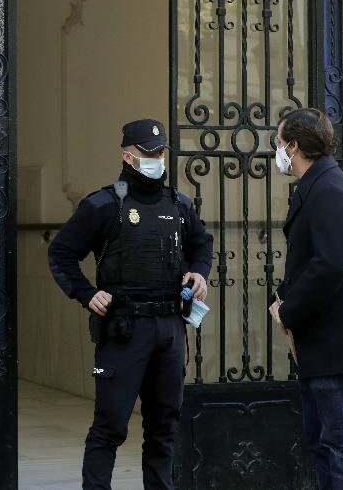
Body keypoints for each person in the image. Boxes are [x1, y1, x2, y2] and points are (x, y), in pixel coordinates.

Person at [48, 118, 213, 490]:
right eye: (148, 153)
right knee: (110, 425)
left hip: (170, 328)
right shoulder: (103, 205)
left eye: (160, 152)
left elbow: (202, 244)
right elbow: (61, 253)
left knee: (164, 426)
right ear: (127, 155)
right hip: (124, 330)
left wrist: (199, 273)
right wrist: (86, 293)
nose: (157, 159)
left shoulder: (179, 204)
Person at [268, 107, 343, 490]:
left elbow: (331, 265)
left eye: (279, 141)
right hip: (321, 341)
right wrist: (285, 298)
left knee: (341, 444)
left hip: (335, 342)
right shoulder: (317, 186)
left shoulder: (330, 189)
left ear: (294, 145)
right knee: (324, 443)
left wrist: (289, 309)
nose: (277, 150)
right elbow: (315, 261)